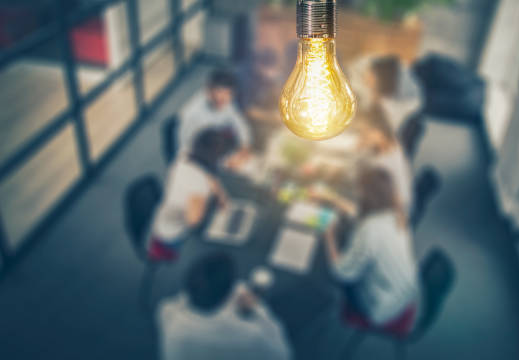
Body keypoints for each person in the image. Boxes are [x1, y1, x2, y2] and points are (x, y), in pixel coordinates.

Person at [314, 167, 420, 327]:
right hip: (404, 292)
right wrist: (332, 198)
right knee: (350, 244)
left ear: (367, 196)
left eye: (359, 191)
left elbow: (341, 272)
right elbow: (360, 214)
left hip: (380, 307)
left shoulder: (370, 230)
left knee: (321, 271)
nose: (357, 194)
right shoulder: (397, 214)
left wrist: (328, 234)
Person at [157, 253, 292, 360]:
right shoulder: (250, 336)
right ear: (226, 297)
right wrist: (257, 310)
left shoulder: (166, 311)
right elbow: (283, 354)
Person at [148, 129, 235, 261]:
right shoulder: (198, 184)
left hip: (163, 216)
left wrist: (222, 197)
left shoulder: (186, 153)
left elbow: (210, 176)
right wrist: (208, 201)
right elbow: (194, 221)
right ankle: (165, 251)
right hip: (170, 234)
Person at [179, 69, 252, 169]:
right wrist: (224, 164)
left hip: (216, 152)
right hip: (196, 162)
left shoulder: (225, 102)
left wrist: (244, 147)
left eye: (228, 94)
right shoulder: (192, 115)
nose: (223, 98)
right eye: (219, 92)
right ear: (208, 90)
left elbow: (240, 124)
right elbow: (186, 153)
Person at [358, 105, 414, 217]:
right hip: (391, 205)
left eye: (365, 132)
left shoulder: (383, 165)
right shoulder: (393, 146)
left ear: (380, 133)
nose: (362, 136)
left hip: (389, 212)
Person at [363, 55, 423, 135]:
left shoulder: (393, 107)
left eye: (371, 76)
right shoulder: (378, 100)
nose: (366, 80)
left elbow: (386, 135)